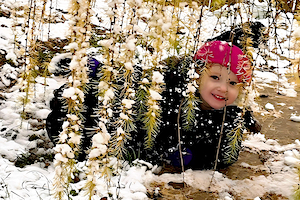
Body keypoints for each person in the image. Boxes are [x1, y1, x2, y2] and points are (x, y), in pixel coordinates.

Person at [129, 40, 261, 170]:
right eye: (215, 77)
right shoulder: (171, 97)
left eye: (232, 83)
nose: (223, 88)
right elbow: (152, 142)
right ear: (196, 76)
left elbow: (223, 157)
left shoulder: (232, 115)